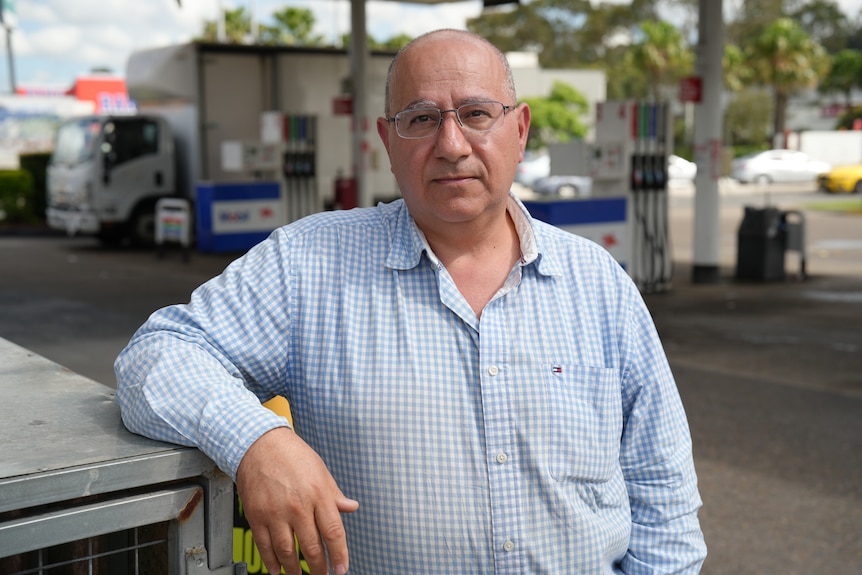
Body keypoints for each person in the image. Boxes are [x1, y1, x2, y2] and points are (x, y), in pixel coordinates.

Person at [115, 29, 706, 575]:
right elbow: (155, 356)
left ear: (520, 130)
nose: (451, 145)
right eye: (421, 119)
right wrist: (254, 440)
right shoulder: (308, 266)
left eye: (477, 114)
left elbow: (663, 496)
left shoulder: (598, 283)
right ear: (386, 141)